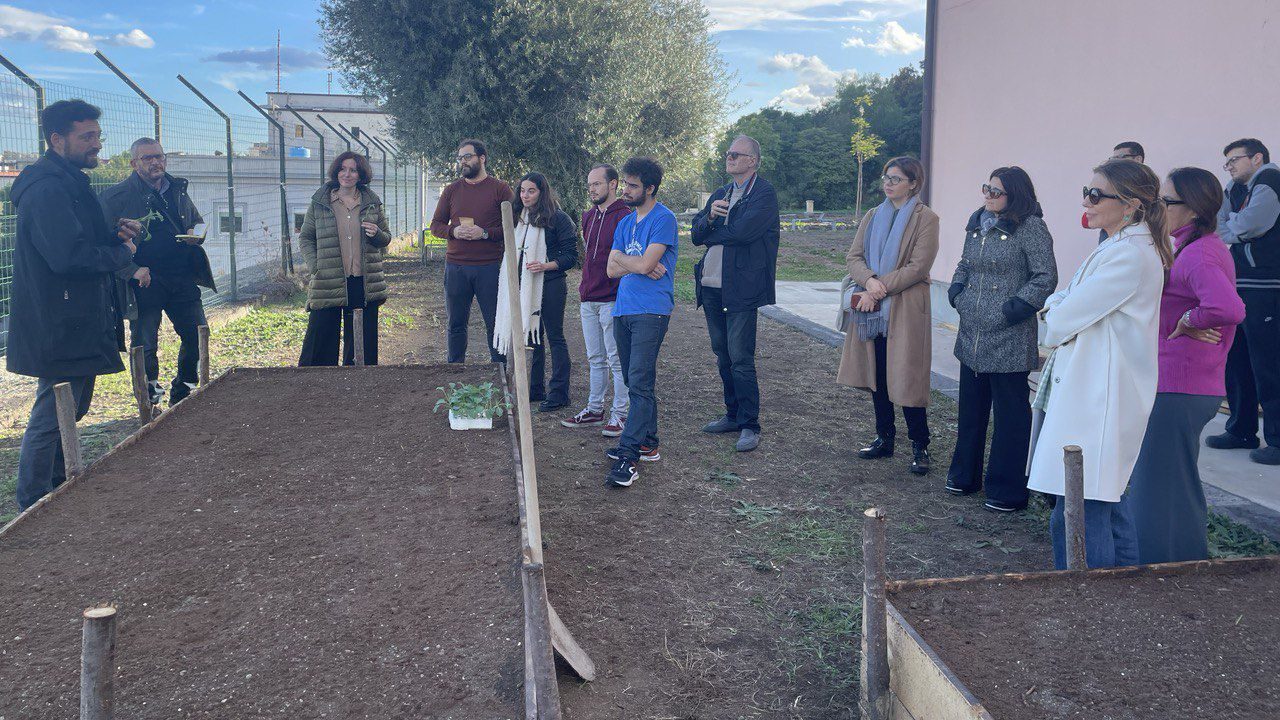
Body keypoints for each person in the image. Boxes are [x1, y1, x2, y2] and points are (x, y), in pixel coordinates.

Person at [1027, 159, 1170, 569]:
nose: (1086, 202)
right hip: (1096, 394)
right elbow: (1063, 302)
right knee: (1106, 504)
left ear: (1130, 204)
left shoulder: (1129, 255)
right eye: (1085, 192)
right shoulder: (1118, 246)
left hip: (1100, 401)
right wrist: (1059, 307)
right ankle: (1119, 596)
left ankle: (1087, 599)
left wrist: (1057, 310)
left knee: (1078, 512)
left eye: (1095, 194)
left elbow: (1058, 322)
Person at [7, 99, 142, 510]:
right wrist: (122, 254)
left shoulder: (69, 182)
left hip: (77, 316)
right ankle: (33, 503)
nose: (97, 144)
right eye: (87, 137)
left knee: (71, 407)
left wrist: (115, 234)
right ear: (57, 139)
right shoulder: (47, 189)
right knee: (54, 411)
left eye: (98, 135)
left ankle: (54, 487)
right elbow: (67, 257)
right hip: (60, 318)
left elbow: (78, 240)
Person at [1129, 167, 1245, 564]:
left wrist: (1189, 320)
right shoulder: (1188, 245)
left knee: (1158, 484)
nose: (1158, 207)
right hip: (1179, 383)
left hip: (1181, 385)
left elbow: (1229, 307)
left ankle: (1159, 566)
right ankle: (1179, 563)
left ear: (1193, 208)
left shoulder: (1199, 253)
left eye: (1167, 201)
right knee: (1169, 481)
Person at [945, 167, 1057, 512]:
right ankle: (965, 476)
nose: (988, 196)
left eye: (996, 191)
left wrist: (1013, 309)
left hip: (1010, 335)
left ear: (1015, 195)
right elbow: (965, 263)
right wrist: (956, 291)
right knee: (971, 410)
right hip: (972, 333)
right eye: (986, 188)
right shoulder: (977, 222)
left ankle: (1007, 489)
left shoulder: (1031, 227)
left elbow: (1045, 277)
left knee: (1010, 417)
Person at [838, 156, 939, 475]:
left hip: (905, 308)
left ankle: (920, 445)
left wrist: (877, 289)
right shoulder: (872, 215)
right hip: (872, 309)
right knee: (878, 374)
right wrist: (869, 282)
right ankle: (885, 438)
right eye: (886, 177)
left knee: (908, 376)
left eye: (896, 179)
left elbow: (918, 267)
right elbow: (854, 257)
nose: (888, 183)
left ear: (913, 183)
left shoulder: (927, 219)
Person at [100, 137, 215, 406]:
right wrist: (132, 270)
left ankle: (183, 393)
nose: (155, 162)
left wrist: (195, 233)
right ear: (134, 163)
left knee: (197, 335)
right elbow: (103, 245)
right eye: (147, 158)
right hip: (145, 282)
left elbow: (196, 221)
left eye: (159, 156)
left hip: (182, 276)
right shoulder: (115, 197)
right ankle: (150, 401)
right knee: (145, 346)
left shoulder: (177, 188)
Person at [691, 134, 780, 453]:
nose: (729, 158)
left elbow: (743, 233)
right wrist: (710, 217)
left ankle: (750, 425)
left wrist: (711, 232)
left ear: (752, 161)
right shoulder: (721, 193)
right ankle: (732, 415)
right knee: (723, 355)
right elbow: (695, 235)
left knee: (741, 358)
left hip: (741, 288)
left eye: (736, 154)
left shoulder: (764, 193)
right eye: (728, 154)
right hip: (711, 286)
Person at [603, 157, 678, 488]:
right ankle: (648, 443)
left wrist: (629, 260)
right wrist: (638, 263)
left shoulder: (664, 219)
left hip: (651, 310)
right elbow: (611, 269)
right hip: (623, 309)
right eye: (625, 184)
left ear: (650, 188)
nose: (625, 190)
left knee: (639, 380)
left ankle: (628, 454)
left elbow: (645, 264)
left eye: (633, 186)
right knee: (636, 382)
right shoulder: (625, 222)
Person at [1207, 138, 1280, 465]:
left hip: (1267, 285)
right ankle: (1240, 430)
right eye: (1227, 162)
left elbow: (1251, 224)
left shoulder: (1271, 181)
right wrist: (1232, 227)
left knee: (1269, 363)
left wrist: (1231, 227)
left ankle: (1277, 440)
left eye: (1234, 160)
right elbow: (1218, 224)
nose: (1229, 167)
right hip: (1238, 284)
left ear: (1257, 157)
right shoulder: (1233, 188)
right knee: (1236, 360)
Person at [297, 151, 392, 366]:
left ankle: (358, 382)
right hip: (327, 278)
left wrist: (377, 233)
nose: (347, 174)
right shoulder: (320, 202)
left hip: (363, 281)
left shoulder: (372, 203)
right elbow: (306, 238)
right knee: (320, 342)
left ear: (361, 175)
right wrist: (316, 266)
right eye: (342, 169)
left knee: (362, 346)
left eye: (353, 170)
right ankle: (315, 383)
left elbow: (386, 238)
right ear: (336, 171)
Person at [493, 172, 577, 410]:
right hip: (523, 284)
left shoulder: (558, 218)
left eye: (531, 191)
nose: (525, 195)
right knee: (532, 336)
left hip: (550, 284)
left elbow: (571, 256)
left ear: (542, 192)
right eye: (522, 190)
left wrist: (545, 265)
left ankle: (559, 393)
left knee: (554, 337)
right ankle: (534, 388)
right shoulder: (518, 218)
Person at [430, 139, 514, 363]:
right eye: (460, 158)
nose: (463, 162)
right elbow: (436, 225)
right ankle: (455, 369)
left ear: (482, 158)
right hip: (456, 267)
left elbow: (512, 227)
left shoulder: (500, 189)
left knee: (494, 322)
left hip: (489, 267)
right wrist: (454, 231)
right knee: (456, 323)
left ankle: (499, 370)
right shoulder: (452, 190)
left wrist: (484, 233)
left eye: (468, 157)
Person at [562, 164, 630, 436]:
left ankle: (620, 414)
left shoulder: (625, 215)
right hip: (587, 297)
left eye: (597, 184)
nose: (591, 189)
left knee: (616, 359)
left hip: (612, 298)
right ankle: (594, 409)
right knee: (595, 357)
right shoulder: (588, 216)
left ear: (613, 184)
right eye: (589, 184)